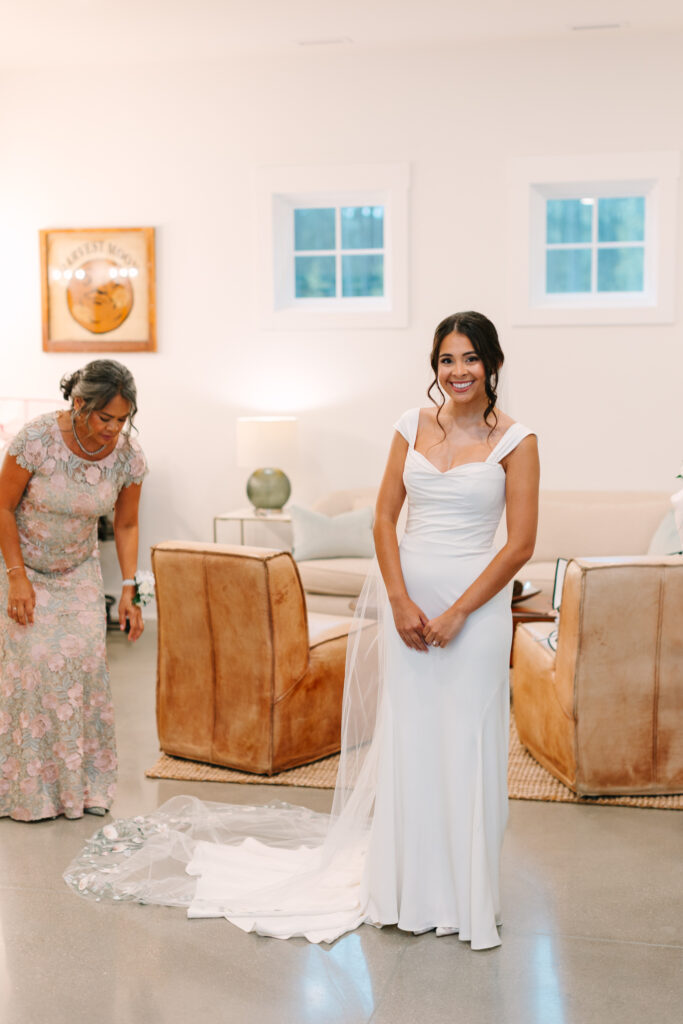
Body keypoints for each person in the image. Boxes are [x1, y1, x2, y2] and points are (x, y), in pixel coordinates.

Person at [64, 312, 539, 951]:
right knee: (412, 743)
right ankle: (403, 891)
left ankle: (466, 898)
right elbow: (382, 518)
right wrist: (398, 600)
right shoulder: (410, 425)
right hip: (410, 609)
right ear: (435, 367)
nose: (458, 372)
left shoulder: (518, 439)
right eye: (447, 359)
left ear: (493, 364)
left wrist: (459, 613)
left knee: (467, 745)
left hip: (474, 615)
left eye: (470, 359)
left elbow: (520, 545)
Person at [0, 360, 147, 822]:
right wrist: (17, 575)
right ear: (80, 404)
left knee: (86, 664)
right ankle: (25, 790)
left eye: (122, 420)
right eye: (106, 418)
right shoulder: (36, 441)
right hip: (24, 569)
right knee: (39, 663)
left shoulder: (128, 457)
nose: (114, 429)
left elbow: (126, 524)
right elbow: (2, 507)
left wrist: (129, 588)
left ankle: (82, 789)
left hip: (79, 572)